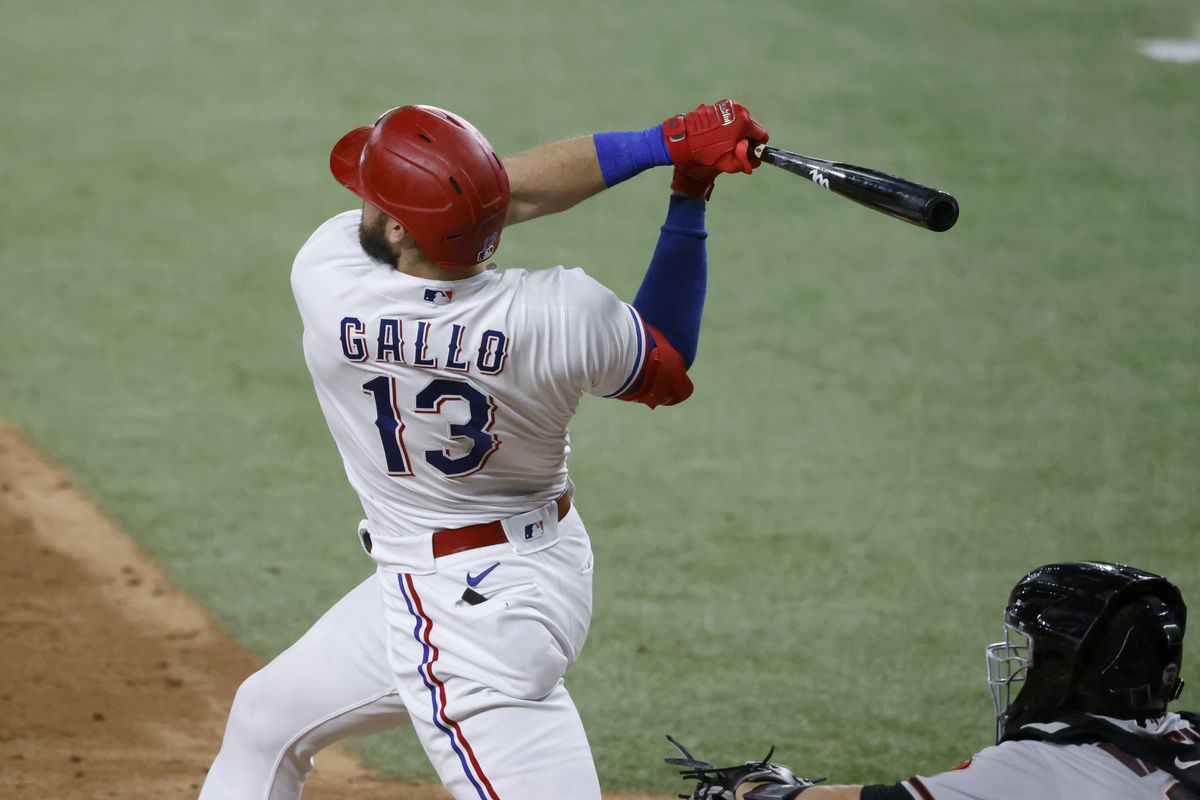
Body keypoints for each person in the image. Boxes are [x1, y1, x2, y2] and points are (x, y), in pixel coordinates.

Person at [198, 99, 770, 800]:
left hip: (460, 617)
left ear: (402, 227)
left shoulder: (328, 277)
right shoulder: (560, 314)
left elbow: (496, 196)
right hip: (540, 567)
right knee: (265, 718)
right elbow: (668, 362)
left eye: (374, 197)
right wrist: (684, 183)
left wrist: (660, 146)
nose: (362, 203)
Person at [675, 561, 1198, 800]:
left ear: (1075, 665)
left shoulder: (1041, 764)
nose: (1026, 668)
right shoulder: (1190, 732)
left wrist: (760, 791)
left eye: (1039, 654)